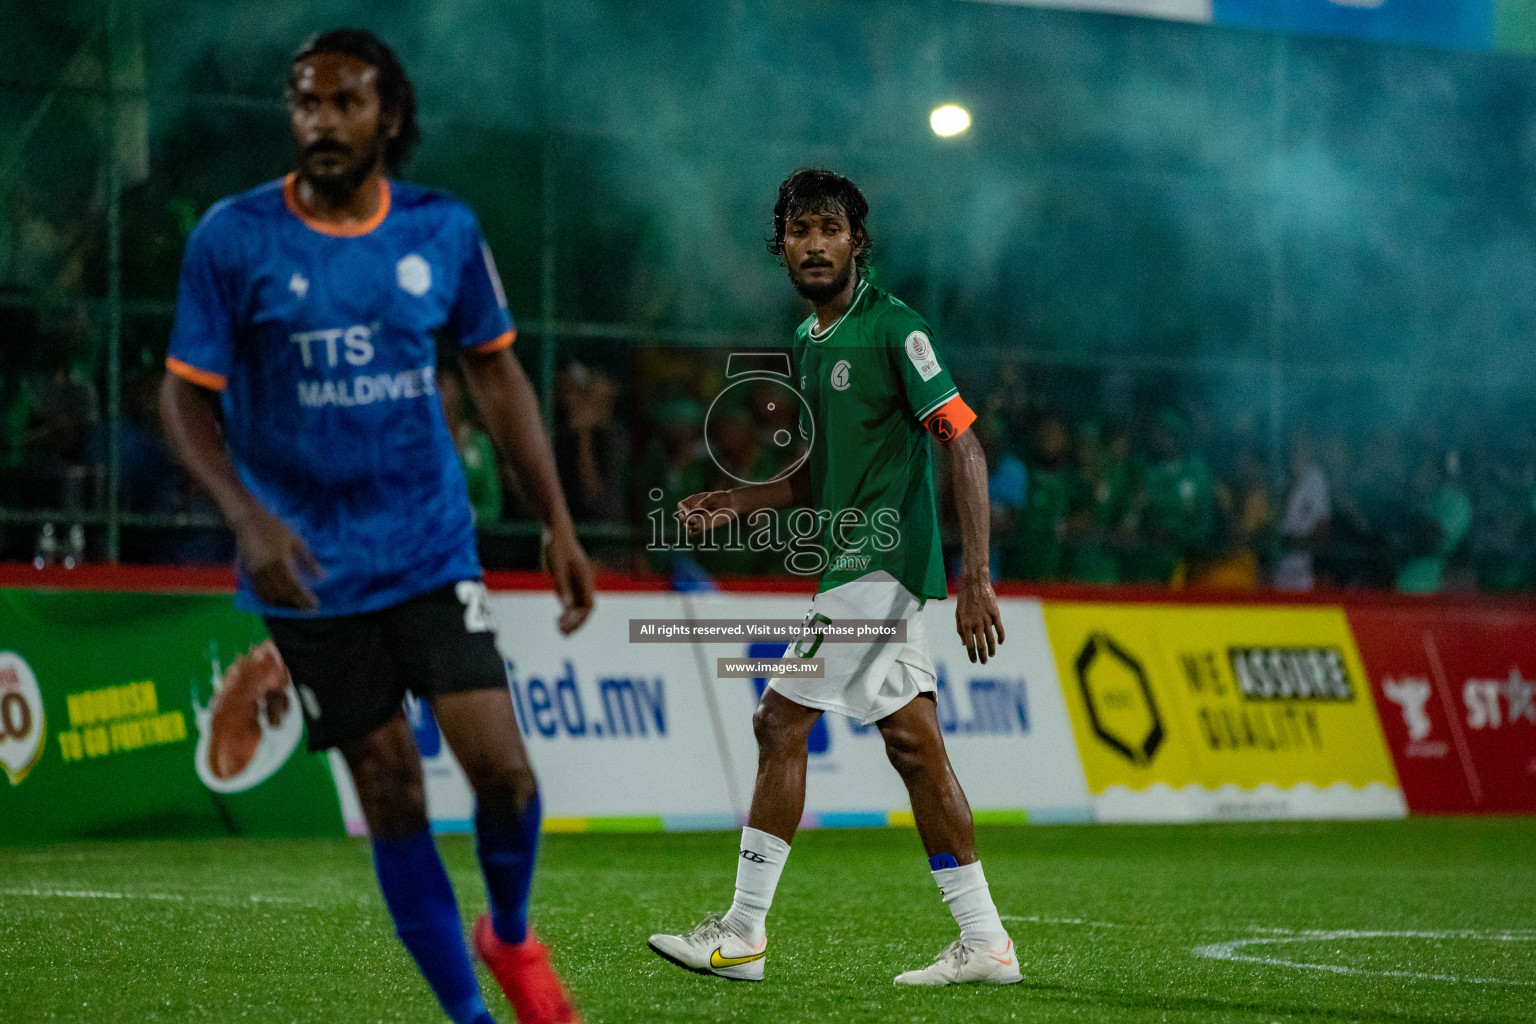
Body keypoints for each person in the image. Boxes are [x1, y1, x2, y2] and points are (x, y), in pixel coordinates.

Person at [158, 30, 594, 1024]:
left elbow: (496, 370)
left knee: (508, 777)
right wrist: (248, 517)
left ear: (388, 115)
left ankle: (511, 933)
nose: (321, 120)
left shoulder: (440, 231)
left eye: (345, 101)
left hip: (432, 545)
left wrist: (558, 522)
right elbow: (183, 398)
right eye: (305, 102)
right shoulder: (234, 238)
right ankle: (470, 1015)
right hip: (309, 570)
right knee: (391, 791)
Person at [648, 168, 1019, 986]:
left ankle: (743, 932)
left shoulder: (895, 329)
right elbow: (824, 472)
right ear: (780, 247)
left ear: (859, 242)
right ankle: (987, 943)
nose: (814, 244)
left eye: (830, 229)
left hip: (877, 565)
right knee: (914, 746)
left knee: (778, 724)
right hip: (855, 567)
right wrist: (740, 500)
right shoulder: (813, 342)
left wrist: (977, 576)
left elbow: (961, 441)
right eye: (799, 231)